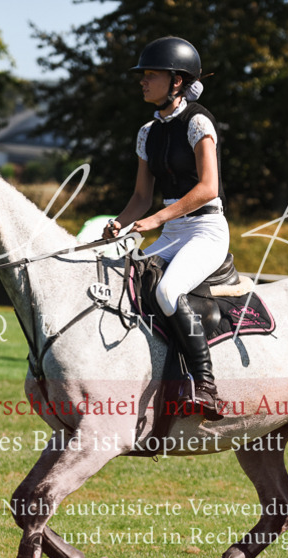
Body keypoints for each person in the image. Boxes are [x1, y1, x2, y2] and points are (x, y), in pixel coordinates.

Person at [105, 36, 228, 421]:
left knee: (168, 289)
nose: (142, 80)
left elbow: (208, 187)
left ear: (176, 81)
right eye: (143, 75)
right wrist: (119, 223)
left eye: (150, 75)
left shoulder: (198, 122)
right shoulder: (148, 132)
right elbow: (142, 197)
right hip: (174, 233)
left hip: (206, 230)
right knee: (125, 282)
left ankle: (206, 386)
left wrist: (157, 219)